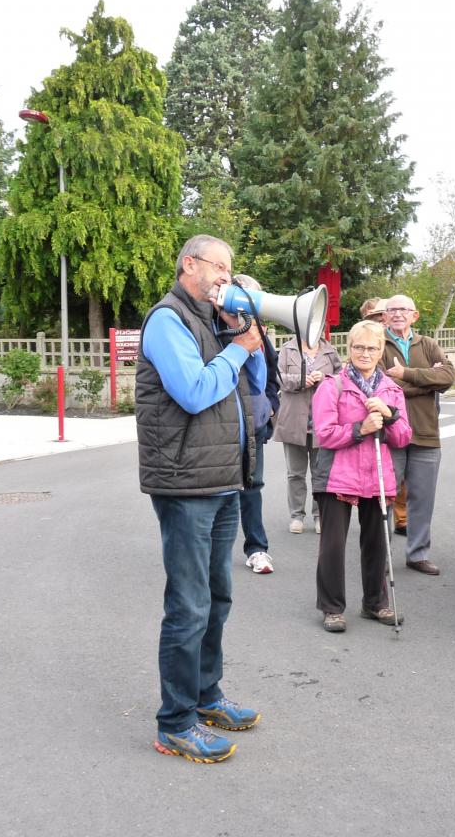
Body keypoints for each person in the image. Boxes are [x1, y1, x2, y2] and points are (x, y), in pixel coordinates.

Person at [136, 234, 267, 765]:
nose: (227, 279)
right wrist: (237, 349)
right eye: (221, 267)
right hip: (185, 483)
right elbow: (192, 391)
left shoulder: (213, 321)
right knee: (188, 606)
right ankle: (176, 722)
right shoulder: (167, 320)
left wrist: (242, 338)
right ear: (190, 264)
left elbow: (255, 383)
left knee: (218, 598)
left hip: (222, 480)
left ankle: (207, 695)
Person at [311, 320, 411, 632]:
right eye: (358, 347)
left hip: (378, 476)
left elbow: (404, 437)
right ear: (349, 349)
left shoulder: (392, 390)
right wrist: (360, 429)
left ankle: (376, 603)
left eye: (371, 348)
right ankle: (332, 607)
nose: (364, 353)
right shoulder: (332, 386)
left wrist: (389, 415)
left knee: (378, 542)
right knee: (333, 545)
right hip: (338, 476)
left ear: (382, 350)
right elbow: (324, 435)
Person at [380, 294, 455, 575]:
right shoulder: (378, 344)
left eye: (403, 309)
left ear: (415, 315)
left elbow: (447, 377)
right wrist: (426, 381)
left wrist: (406, 374)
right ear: (385, 315)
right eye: (392, 310)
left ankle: (418, 554)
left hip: (425, 433)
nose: (398, 314)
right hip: (390, 434)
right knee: (385, 498)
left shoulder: (429, 344)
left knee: (423, 499)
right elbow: (380, 387)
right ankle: (381, 554)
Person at [231, 274, 281, 573]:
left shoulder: (261, 336)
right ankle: (213, 548)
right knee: (218, 488)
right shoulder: (219, 330)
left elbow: (271, 374)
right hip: (225, 423)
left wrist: (272, 406)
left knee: (252, 486)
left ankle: (257, 549)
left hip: (255, 422)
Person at [275, 325, 341, 535]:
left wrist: (325, 380)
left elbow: (342, 381)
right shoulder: (288, 349)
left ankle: (319, 514)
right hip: (294, 419)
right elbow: (278, 378)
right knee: (295, 473)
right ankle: (296, 515)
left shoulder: (330, 351)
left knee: (321, 473)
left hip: (323, 421)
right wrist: (301, 380)